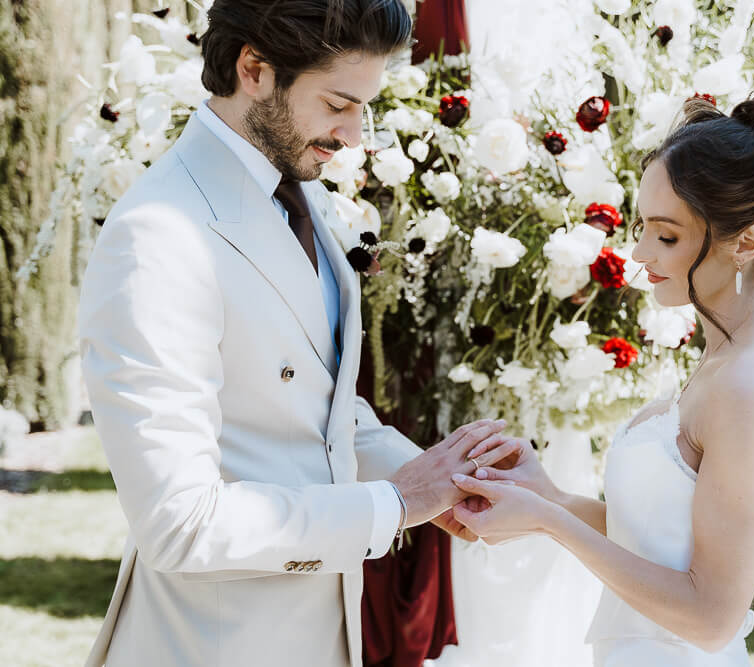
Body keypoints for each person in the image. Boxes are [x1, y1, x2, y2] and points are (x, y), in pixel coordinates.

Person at [77, 2, 515, 665]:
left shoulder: (293, 188)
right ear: (254, 68)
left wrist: (439, 476)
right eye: (339, 102)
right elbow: (179, 522)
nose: (354, 134)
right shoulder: (160, 237)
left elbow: (316, 408)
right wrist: (394, 504)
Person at [452, 94, 754, 666]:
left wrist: (547, 522)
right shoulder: (730, 354)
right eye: (642, 226)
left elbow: (711, 616)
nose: (640, 252)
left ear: (744, 243)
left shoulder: (751, 385)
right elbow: (660, 543)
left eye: (667, 236)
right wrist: (545, 497)